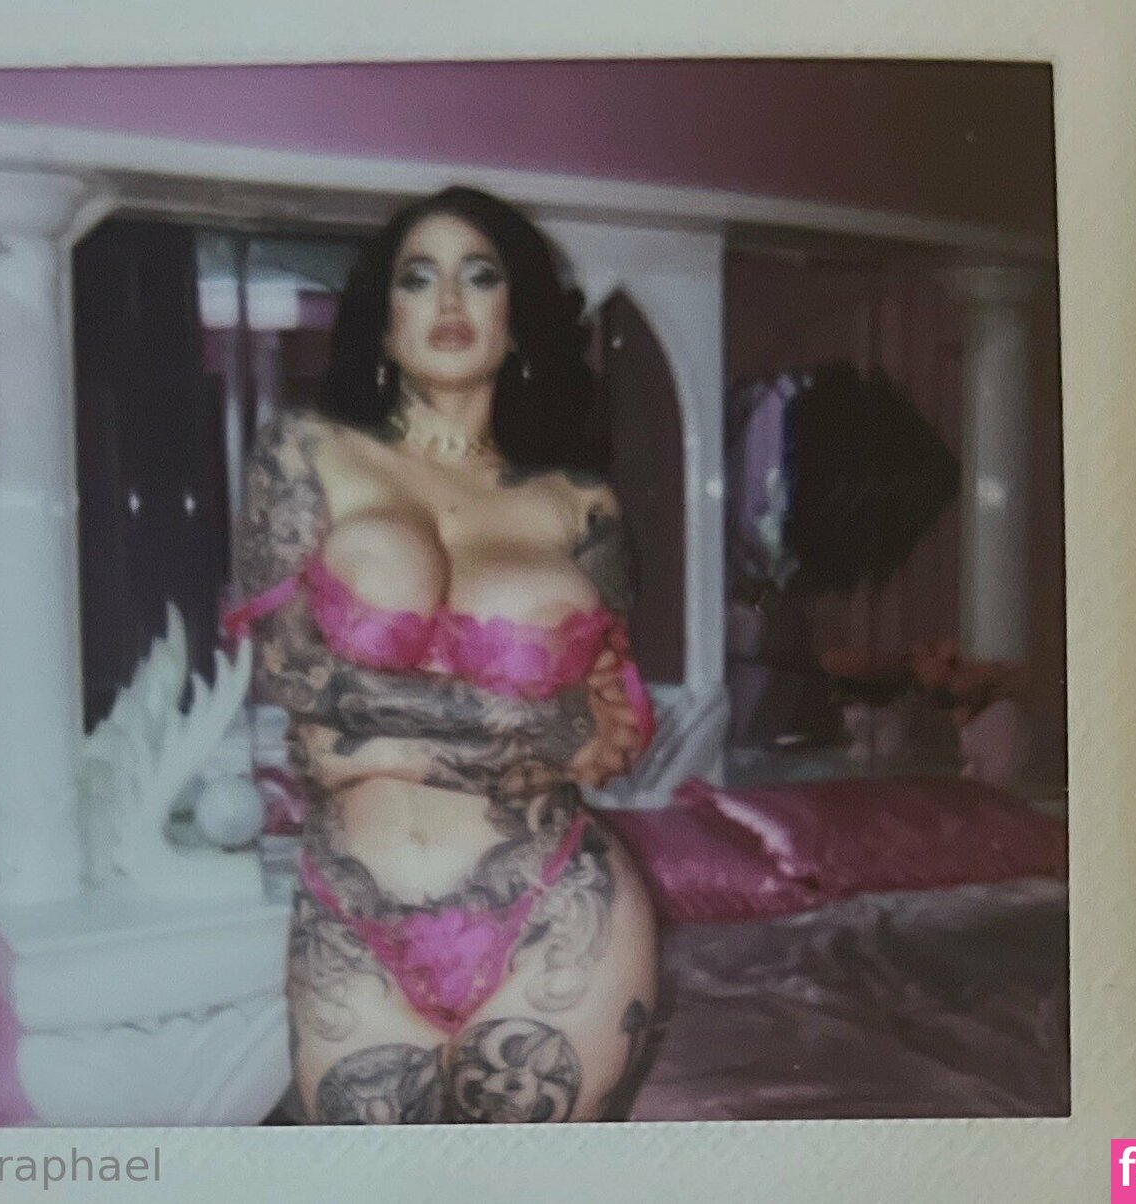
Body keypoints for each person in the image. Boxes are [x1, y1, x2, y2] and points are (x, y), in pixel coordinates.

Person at [222, 185, 662, 1124]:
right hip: (355, 922)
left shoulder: (583, 505)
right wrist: (527, 728)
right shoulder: (305, 451)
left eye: (480, 276)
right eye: (418, 278)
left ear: (518, 319)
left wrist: (373, 743)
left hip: (560, 914)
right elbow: (294, 678)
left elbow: (603, 739)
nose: (450, 300)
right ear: (384, 324)